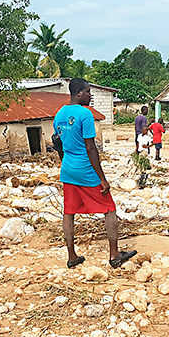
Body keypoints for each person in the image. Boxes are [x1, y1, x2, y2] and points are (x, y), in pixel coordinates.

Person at [55, 78, 137, 269]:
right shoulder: (85, 114)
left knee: (69, 212)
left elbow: (58, 144)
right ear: (77, 93)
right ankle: (114, 254)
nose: (90, 95)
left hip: (67, 169)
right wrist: (102, 178)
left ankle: (72, 256)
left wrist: (65, 164)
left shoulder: (60, 114)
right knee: (109, 207)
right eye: (88, 91)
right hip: (85, 169)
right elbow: (91, 147)